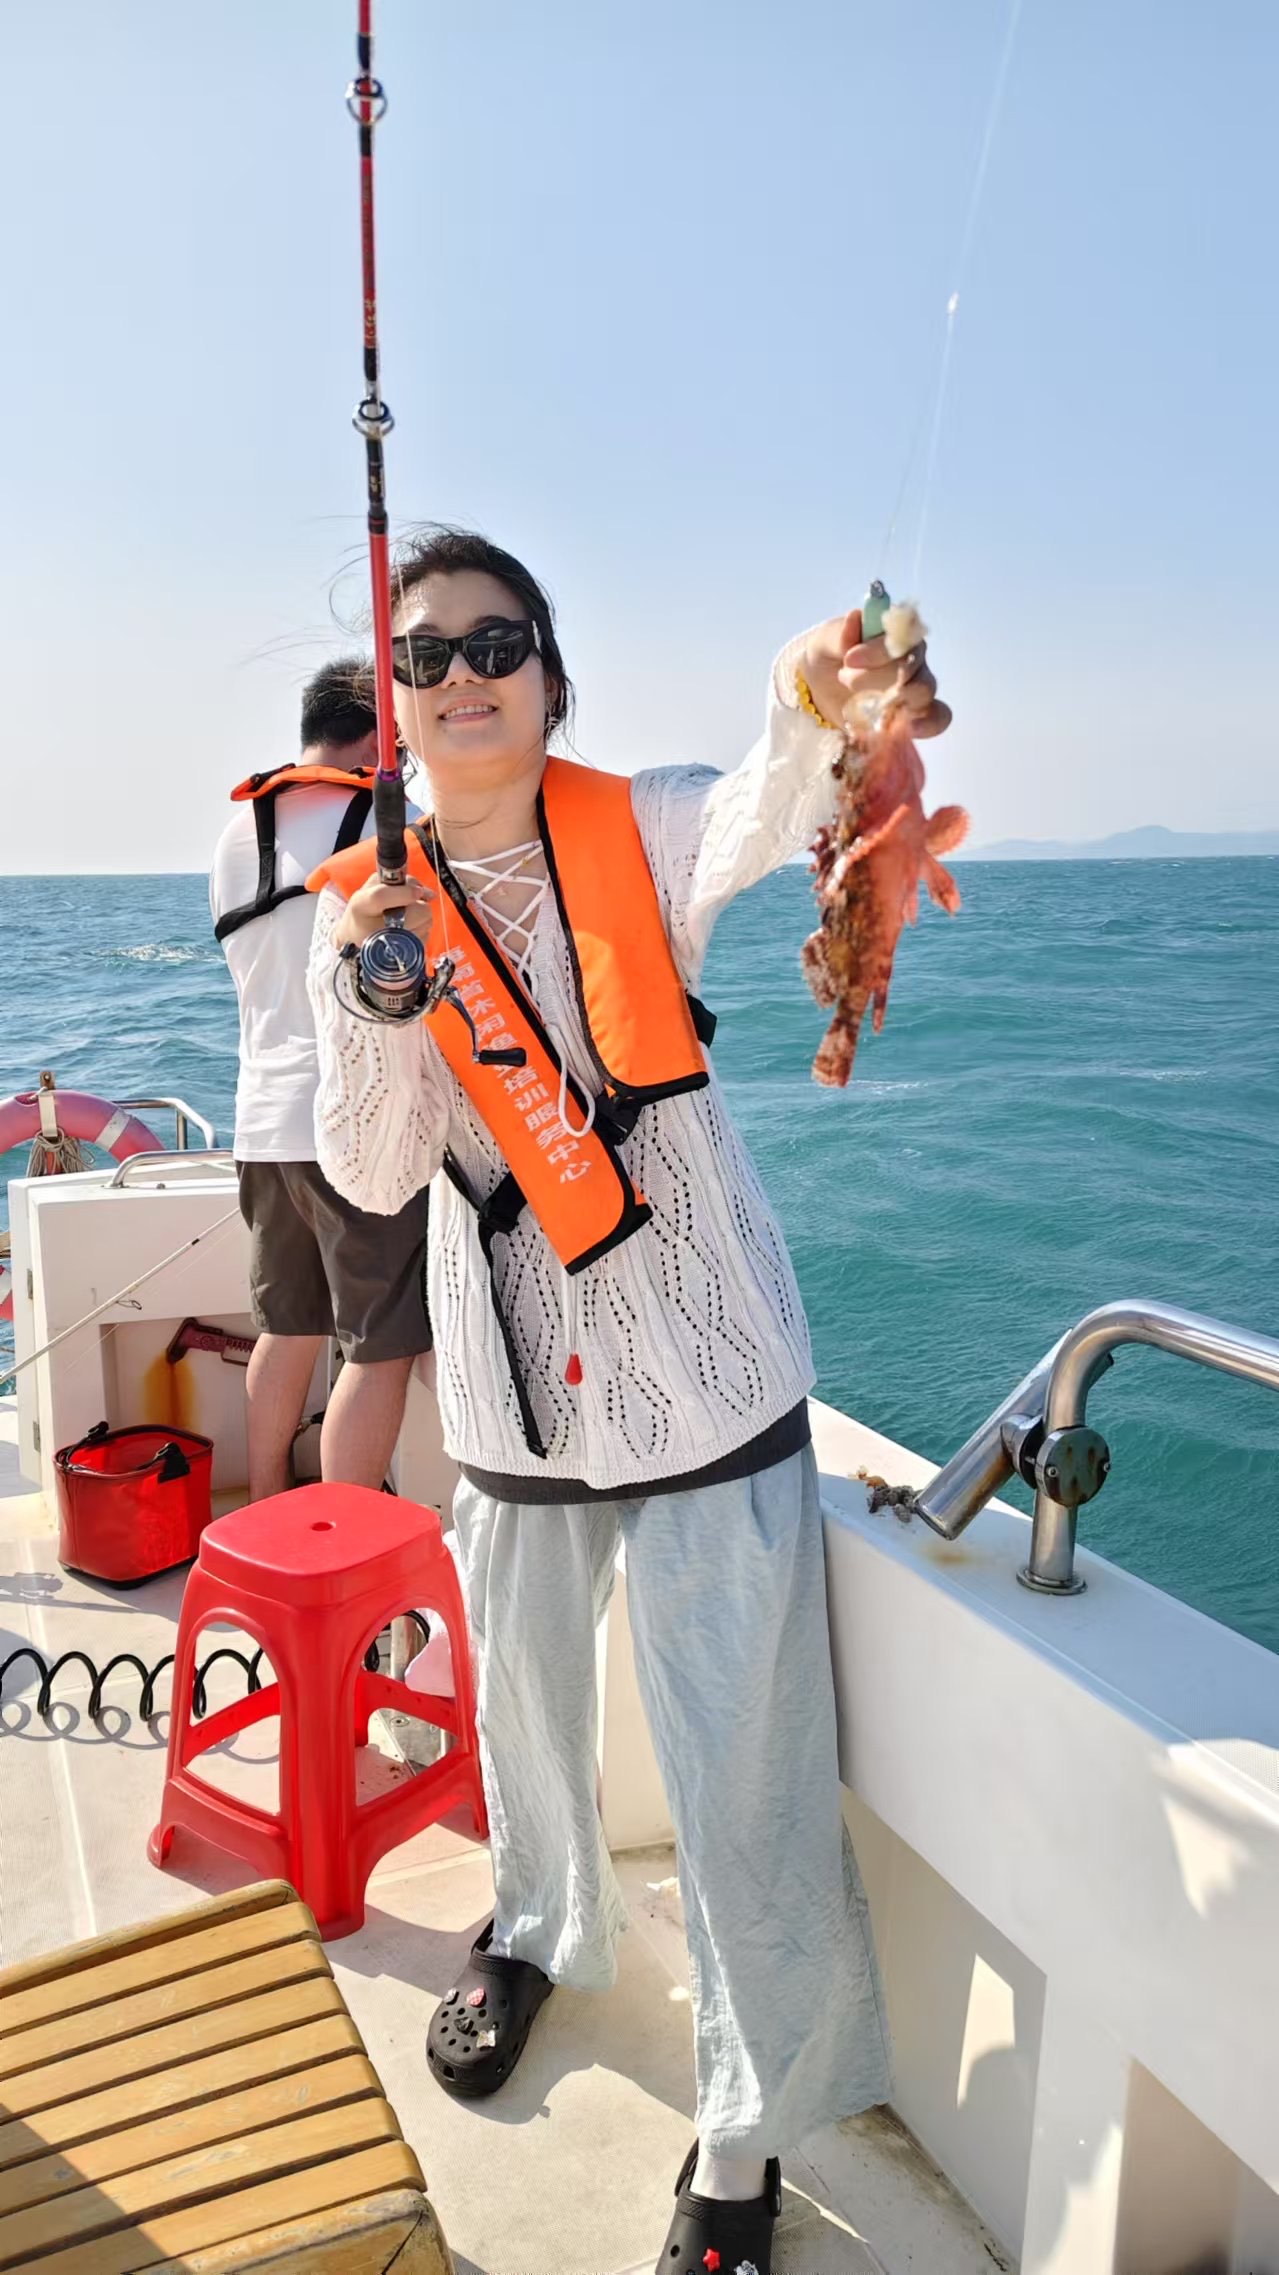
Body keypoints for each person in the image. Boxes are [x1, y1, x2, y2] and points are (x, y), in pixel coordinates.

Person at [305, 530, 951, 2275]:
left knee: (741, 1766)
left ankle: (741, 2129)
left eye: (495, 640)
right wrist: (370, 1003)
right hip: (511, 1394)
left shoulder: (640, 825)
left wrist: (811, 689)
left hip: (702, 1373)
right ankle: (534, 1927)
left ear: (548, 670)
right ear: (392, 704)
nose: (461, 675)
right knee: (522, 1707)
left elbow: (764, 803)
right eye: (424, 653)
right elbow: (370, 1175)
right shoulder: (362, 907)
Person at [210, 659, 431, 1502]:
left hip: (261, 1124)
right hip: (355, 1125)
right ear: (381, 737)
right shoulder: (389, 825)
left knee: (288, 1327)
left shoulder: (235, 836)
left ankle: (267, 1502)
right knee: (378, 1347)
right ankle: (345, 1543)